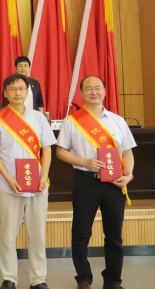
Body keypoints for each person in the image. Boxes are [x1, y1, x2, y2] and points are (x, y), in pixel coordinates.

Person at [56, 76, 135, 289]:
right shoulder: (72, 121)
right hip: (86, 182)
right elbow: (60, 151)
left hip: (114, 184)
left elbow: (127, 153)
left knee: (114, 235)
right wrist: (84, 162)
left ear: (105, 91)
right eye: (89, 89)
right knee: (81, 234)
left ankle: (113, 281)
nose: (94, 92)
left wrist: (128, 175)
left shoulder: (118, 121)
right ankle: (83, 278)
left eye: (98, 88)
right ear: (81, 93)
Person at [0, 74, 55, 289]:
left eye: (21, 89)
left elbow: (47, 149)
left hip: (38, 186)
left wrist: (44, 176)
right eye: (12, 89)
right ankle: (9, 278)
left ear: (27, 92)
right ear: (5, 92)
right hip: (8, 186)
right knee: (8, 235)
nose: (17, 93)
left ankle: (38, 279)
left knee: (38, 236)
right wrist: (8, 178)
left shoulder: (38, 118)